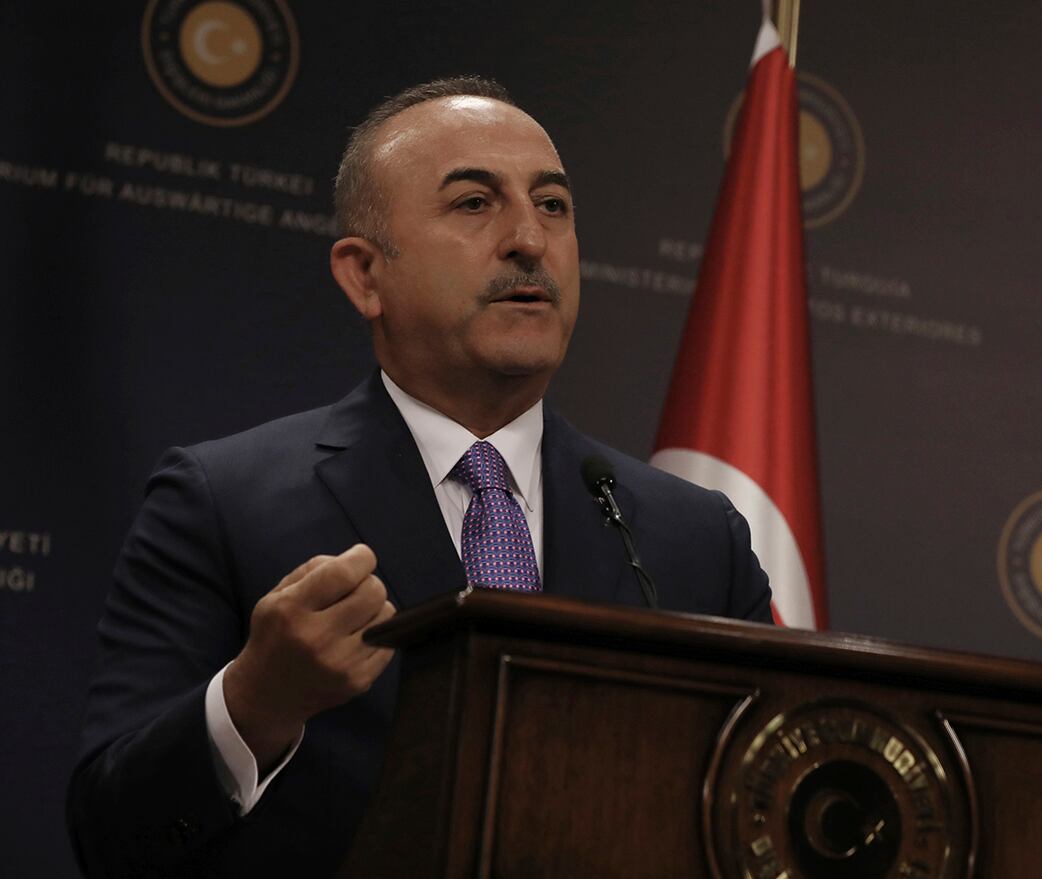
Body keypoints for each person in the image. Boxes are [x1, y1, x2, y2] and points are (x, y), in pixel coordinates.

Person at [68, 76, 773, 877]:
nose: (529, 241)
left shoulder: (695, 536)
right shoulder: (221, 502)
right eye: (475, 203)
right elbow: (109, 835)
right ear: (365, 275)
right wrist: (255, 703)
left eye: (553, 205)